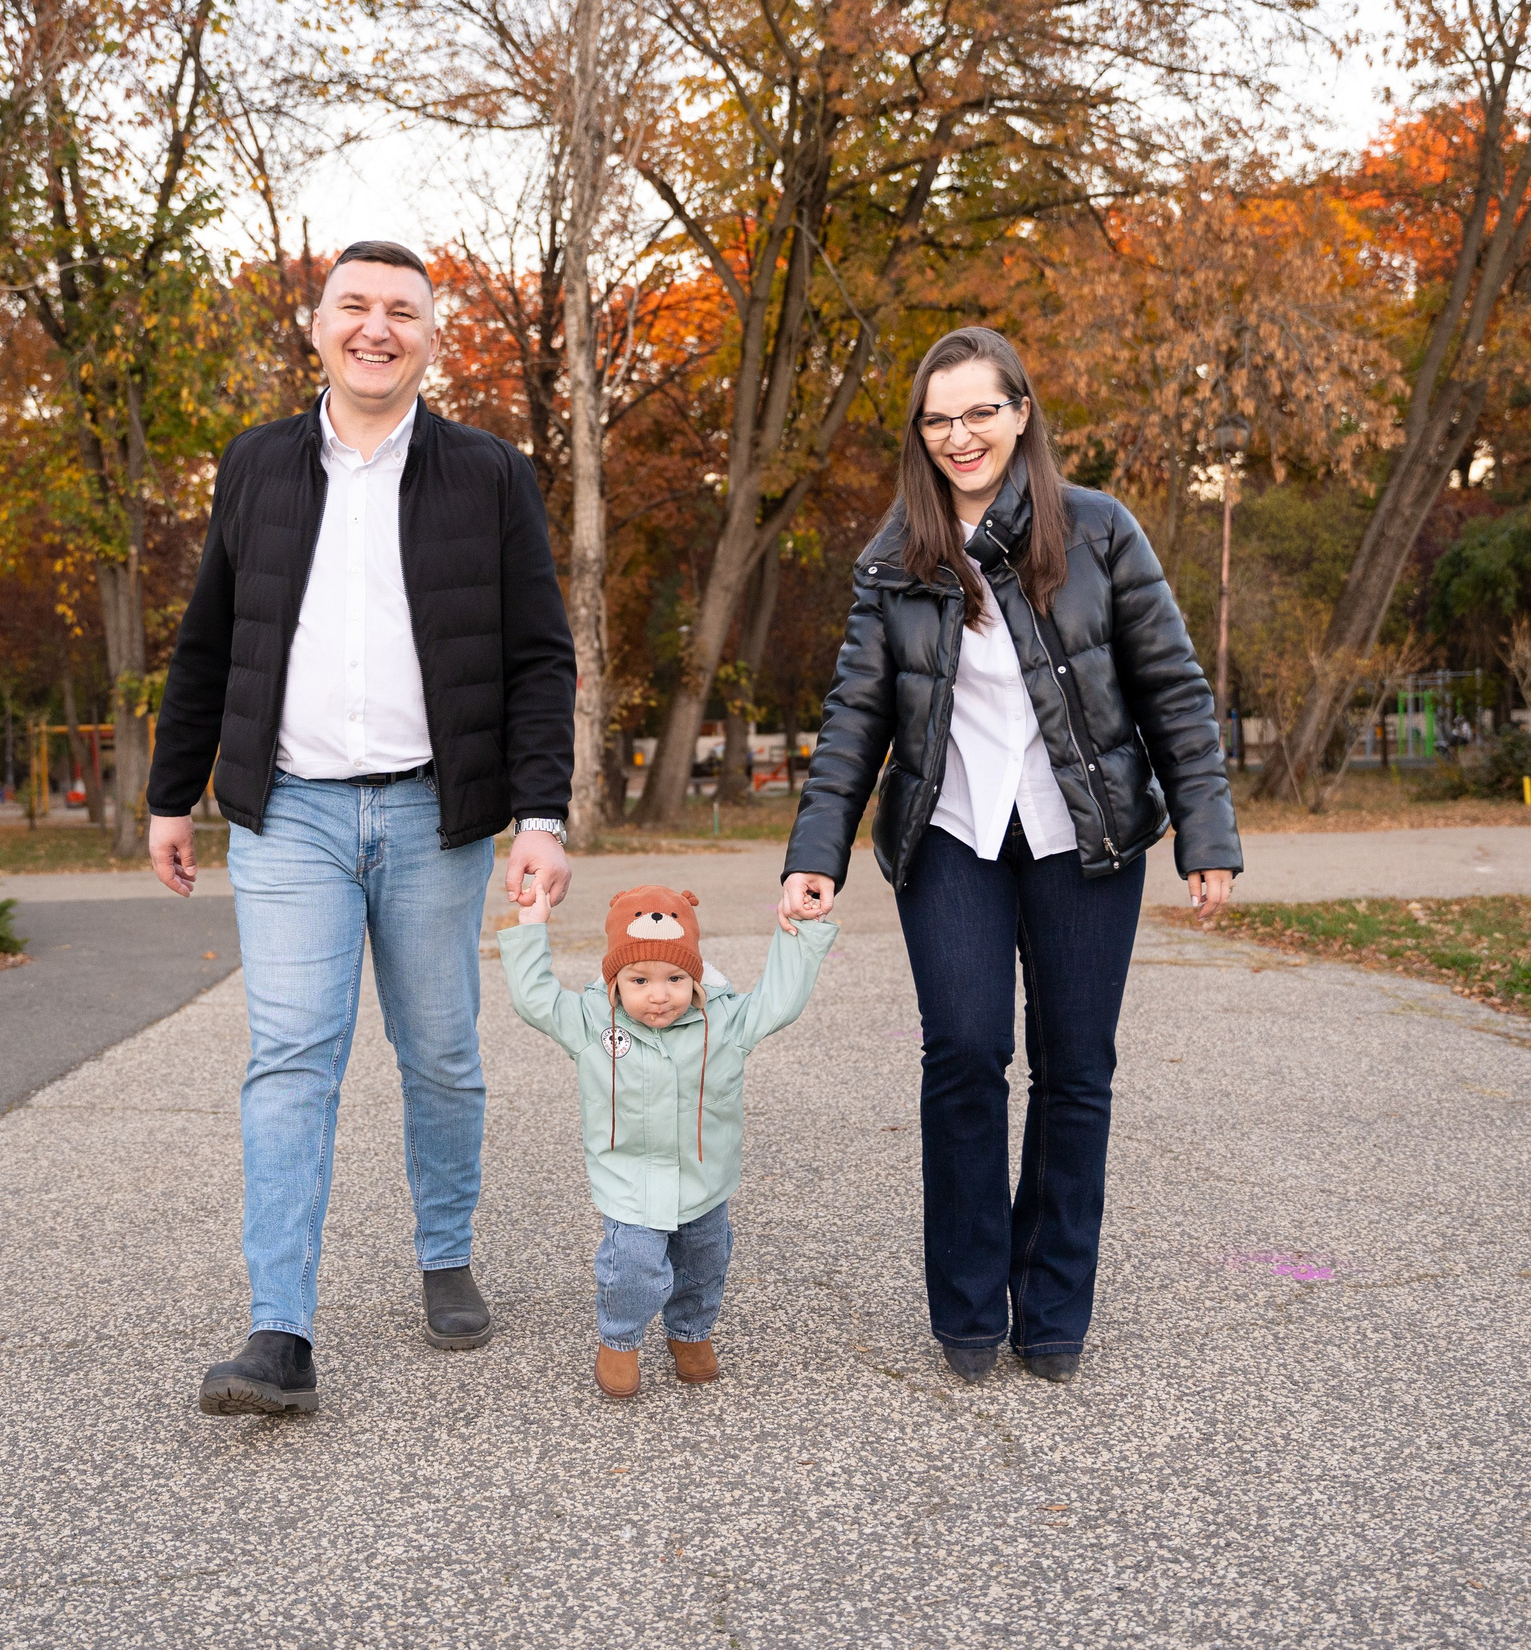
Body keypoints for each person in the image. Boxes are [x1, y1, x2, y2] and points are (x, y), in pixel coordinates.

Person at [145, 239, 578, 1417]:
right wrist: (170, 793)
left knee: (439, 1052)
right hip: (288, 817)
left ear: (431, 335)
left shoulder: (488, 473)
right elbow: (208, 640)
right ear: (317, 325)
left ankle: (445, 1251)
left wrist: (539, 815)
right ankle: (279, 1331)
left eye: (402, 310)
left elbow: (539, 654)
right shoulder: (258, 466)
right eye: (354, 306)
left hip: (437, 815)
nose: (375, 326)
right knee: (290, 1058)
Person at [777, 326, 1242, 1387]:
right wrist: (818, 852)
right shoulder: (895, 558)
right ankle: (968, 1311)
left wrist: (1205, 836)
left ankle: (1055, 1313)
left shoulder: (1099, 533)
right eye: (938, 419)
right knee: (964, 1056)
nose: (959, 435)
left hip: (1086, 840)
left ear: (1021, 413)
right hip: (951, 837)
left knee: (1076, 1072)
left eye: (980, 411)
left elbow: (1172, 689)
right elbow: (855, 712)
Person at [497, 881, 834, 1398]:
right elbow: (534, 998)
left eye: (675, 977)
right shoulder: (591, 1022)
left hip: (703, 1183)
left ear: (696, 977)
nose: (659, 994)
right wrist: (531, 925)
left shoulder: (723, 1022)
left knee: (704, 1265)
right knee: (630, 1268)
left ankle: (690, 1334)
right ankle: (620, 1341)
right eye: (640, 979)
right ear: (615, 982)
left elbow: (779, 1000)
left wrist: (802, 931)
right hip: (629, 1185)